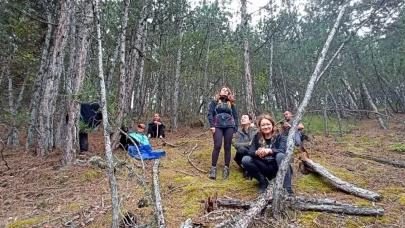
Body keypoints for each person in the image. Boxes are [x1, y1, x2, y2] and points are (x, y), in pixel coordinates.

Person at [242, 114, 293, 195]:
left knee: (280, 155)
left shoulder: (280, 136)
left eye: (268, 124)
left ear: (272, 125)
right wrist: (257, 153)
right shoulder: (257, 137)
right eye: (263, 125)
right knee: (246, 159)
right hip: (264, 166)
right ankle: (263, 182)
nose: (266, 127)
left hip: (277, 166)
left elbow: (283, 150)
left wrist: (269, 151)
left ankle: (287, 188)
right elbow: (250, 152)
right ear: (260, 127)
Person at [207, 86, 239, 180]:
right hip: (217, 126)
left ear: (229, 93)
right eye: (223, 90)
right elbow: (210, 114)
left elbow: (236, 117)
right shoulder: (214, 102)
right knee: (217, 145)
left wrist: (235, 129)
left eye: (227, 90)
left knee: (227, 146)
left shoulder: (231, 104)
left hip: (229, 126)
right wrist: (212, 125)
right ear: (220, 92)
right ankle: (213, 169)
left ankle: (226, 168)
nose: (225, 91)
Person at [233, 114, 257, 179]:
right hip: (242, 154)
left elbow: (254, 142)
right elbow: (236, 145)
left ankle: (250, 168)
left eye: (245, 117)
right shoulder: (239, 132)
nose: (242, 119)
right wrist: (248, 144)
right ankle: (245, 169)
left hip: (252, 153)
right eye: (241, 118)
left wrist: (250, 129)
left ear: (250, 121)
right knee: (241, 150)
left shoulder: (255, 130)